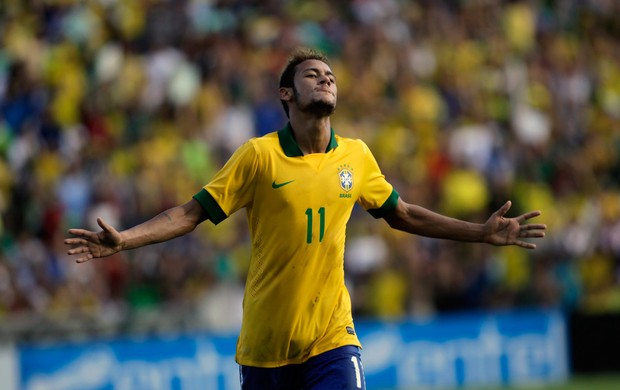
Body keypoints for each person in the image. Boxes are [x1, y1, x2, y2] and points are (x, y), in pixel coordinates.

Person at [65, 48, 547, 390]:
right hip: (264, 347)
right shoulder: (258, 156)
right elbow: (190, 214)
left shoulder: (356, 157)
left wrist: (480, 233)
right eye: (313, 74)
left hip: (331, 338)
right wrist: (125, 239)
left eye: (330, 75)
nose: (326, 79)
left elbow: (402, 214)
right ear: (287, 94)